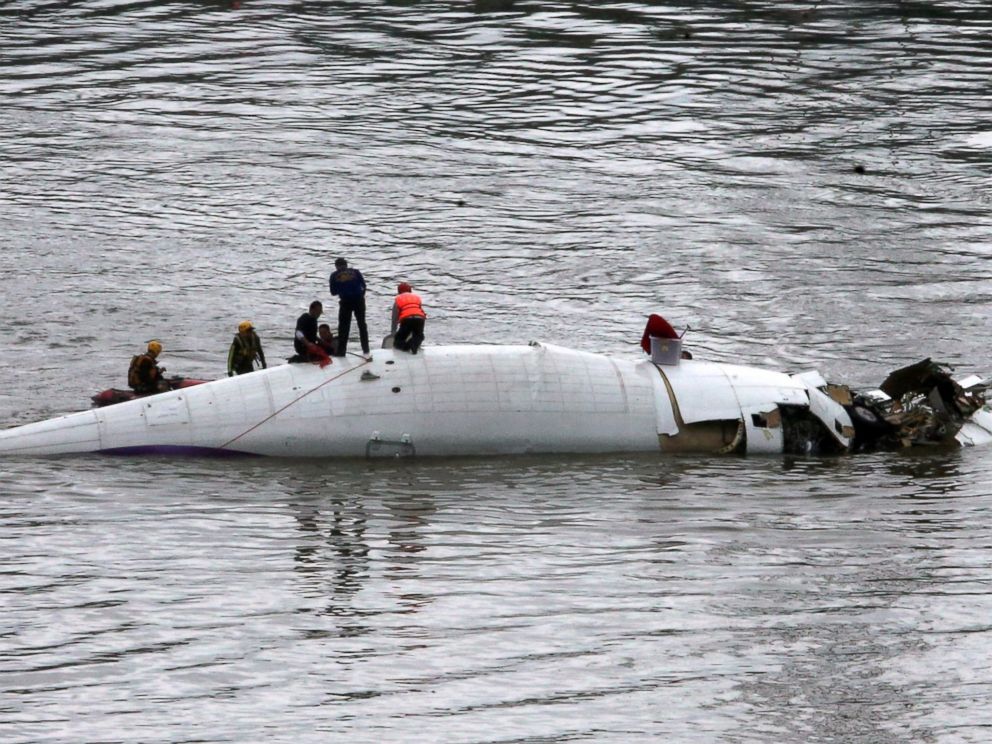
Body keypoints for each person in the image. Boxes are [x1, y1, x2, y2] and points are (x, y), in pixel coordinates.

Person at [329, 257, 370, 357]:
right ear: (346, 265)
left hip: (345, 301)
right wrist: (361, 296)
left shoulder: (334, 275)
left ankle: (341, 352)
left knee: (344, 327)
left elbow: (333, 292)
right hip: (359, 300)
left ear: (336, 266)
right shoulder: (356, 272)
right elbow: (364, 286)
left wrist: (342, 288)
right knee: (362, 325)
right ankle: (366, 350)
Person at [391, 282, 427, 354]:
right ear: (410, 290)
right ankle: (414, 343)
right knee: (419, 335)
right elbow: (421, 311)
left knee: (398, 341)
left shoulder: (398, 299)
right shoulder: (416, 298)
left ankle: (408, 346)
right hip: (420, 319)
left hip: (407, 320)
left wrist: (393, 332)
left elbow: (394, 318)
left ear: (399, 291)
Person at [294, 301, 331, 366]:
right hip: (303, 346)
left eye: (320, 312)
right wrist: (307, 344)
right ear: (312, 310)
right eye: (318, 311)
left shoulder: (314, 320)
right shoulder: (304, 318)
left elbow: (311, 334)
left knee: (329, 349)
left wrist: (320, 340)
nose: (319, 314)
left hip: (311, 345)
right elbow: (298, 333)